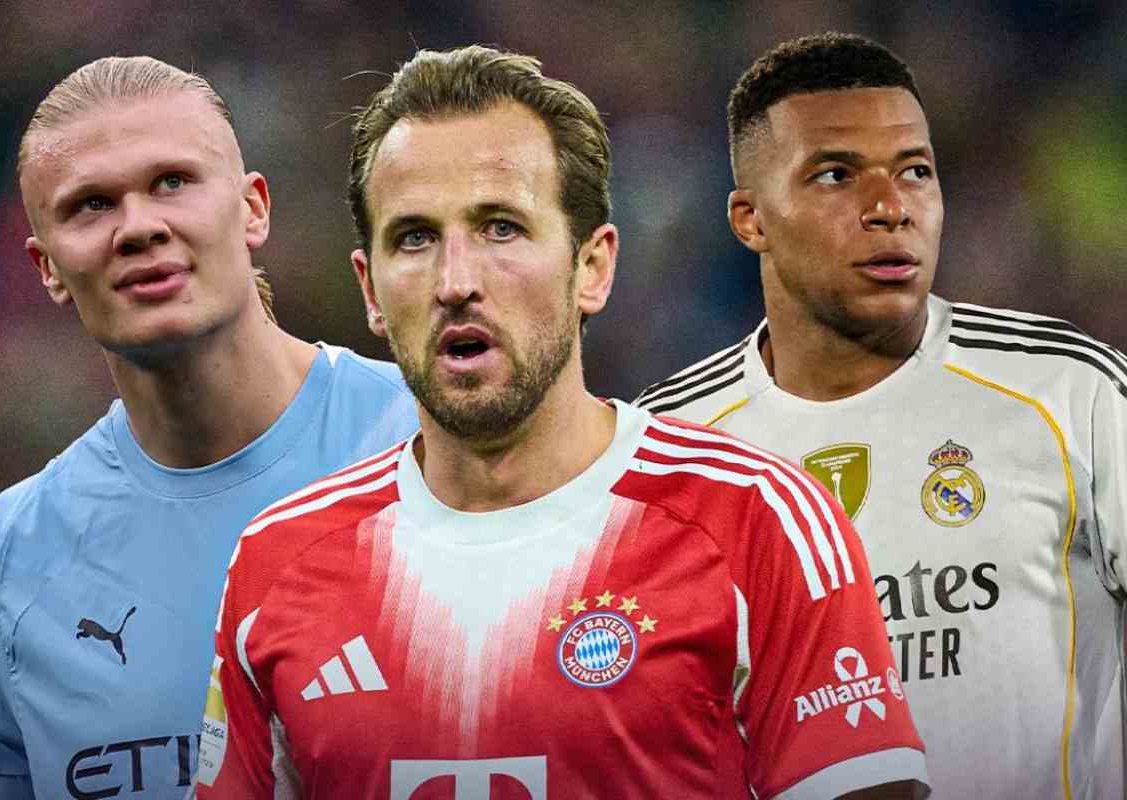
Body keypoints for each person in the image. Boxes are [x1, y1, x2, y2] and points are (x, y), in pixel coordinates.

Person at [196, 45, 929, 800]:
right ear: (371, 290)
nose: (456, 282)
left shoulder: (758, 523)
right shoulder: (276, 564)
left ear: (592, 268)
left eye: (501, 228)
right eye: (414, 238)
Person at [635, 31, 1127, 799]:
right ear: (750, 219)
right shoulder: (663, 444)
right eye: (836, 175)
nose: (890, 208)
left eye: (915, 172)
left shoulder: (1070, 391)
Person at [0, 57, 419, 800]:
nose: (139, 227)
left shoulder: (432, 444)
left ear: (253, 209)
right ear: (47, 267)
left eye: (171, 182)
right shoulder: (14, 554)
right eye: (91, 205)